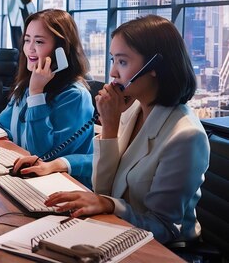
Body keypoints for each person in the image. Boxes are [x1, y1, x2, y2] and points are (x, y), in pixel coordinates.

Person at [44, 15, 210, 244]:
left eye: (122, 62)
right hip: (114, 229)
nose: (113, 72)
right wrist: (109, 126)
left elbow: (165, 228)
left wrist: (110, 204)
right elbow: (102, 189)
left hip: (162, 250)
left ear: (155, 67)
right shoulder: (131, 111)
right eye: (113, 60)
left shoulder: (186, 137)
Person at [0, 9, 94, 188]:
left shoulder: (75, 96)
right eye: (27, 40)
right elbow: (2, 125)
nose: (30, 48)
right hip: (28, 180)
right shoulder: (27, 85)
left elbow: (41, 156)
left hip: (62, 187)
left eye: (39, 41)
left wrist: (37, 94)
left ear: (61, 50)